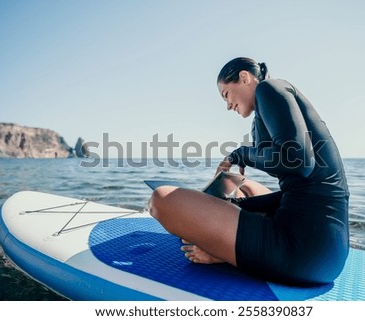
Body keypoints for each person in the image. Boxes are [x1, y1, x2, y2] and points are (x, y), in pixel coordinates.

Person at [148, 57, 350, 285]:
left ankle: (222, 253)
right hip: (330, 255)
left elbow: (298, 161)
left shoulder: (268, 88)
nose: (227, 105)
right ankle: (227, 241)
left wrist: (242, 154)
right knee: (243, 186)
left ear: (244, 78)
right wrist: (234, 205)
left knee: (161, 199)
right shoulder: (277, 96)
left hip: (300, 251)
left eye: (226, 94)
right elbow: (301, 187)